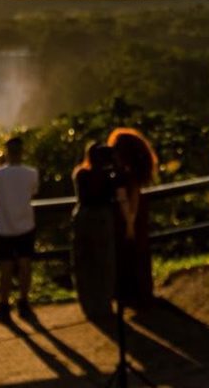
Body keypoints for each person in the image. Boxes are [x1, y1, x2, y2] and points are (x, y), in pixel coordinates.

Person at [0, 136, 39, 320]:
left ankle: (4, 304)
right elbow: (33, 191)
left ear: (6, 152)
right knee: (25, 265)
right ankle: (24, 302)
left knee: (5, 268)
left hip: (3, 227)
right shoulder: (31, 173)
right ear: (22, 152)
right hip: (26, 225)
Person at [71, 143, 123, 322]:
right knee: (105, 261)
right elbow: (117, 191)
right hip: (102, 219)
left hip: (83, 218)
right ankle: (104, 304)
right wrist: (115, 165)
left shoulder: (81, 174)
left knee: (85, 262)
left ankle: (89, 305)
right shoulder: (109, 176)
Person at [108, 127, 158, 309]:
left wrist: (129, 223)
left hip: (126, 219)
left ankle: (131, 296)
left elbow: (126, 201)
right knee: (139, 255)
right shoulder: (134, 174)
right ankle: (141, 293)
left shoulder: (122, 175)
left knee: (127, 257)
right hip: (136, 218)